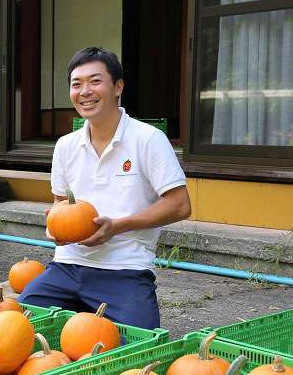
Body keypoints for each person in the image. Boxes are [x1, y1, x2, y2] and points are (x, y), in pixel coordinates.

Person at [17, 47, 191, 329]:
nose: (85, 91)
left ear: (118, 87)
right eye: (77, 84)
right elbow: (61, 204)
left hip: (125, 268)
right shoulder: (65, 146)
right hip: (67, 266)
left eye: (95, 81)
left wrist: (117, 226)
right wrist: (55, 228)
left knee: (137, 349)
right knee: (18, 329)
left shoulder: (148, 139)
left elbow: (180, 204)